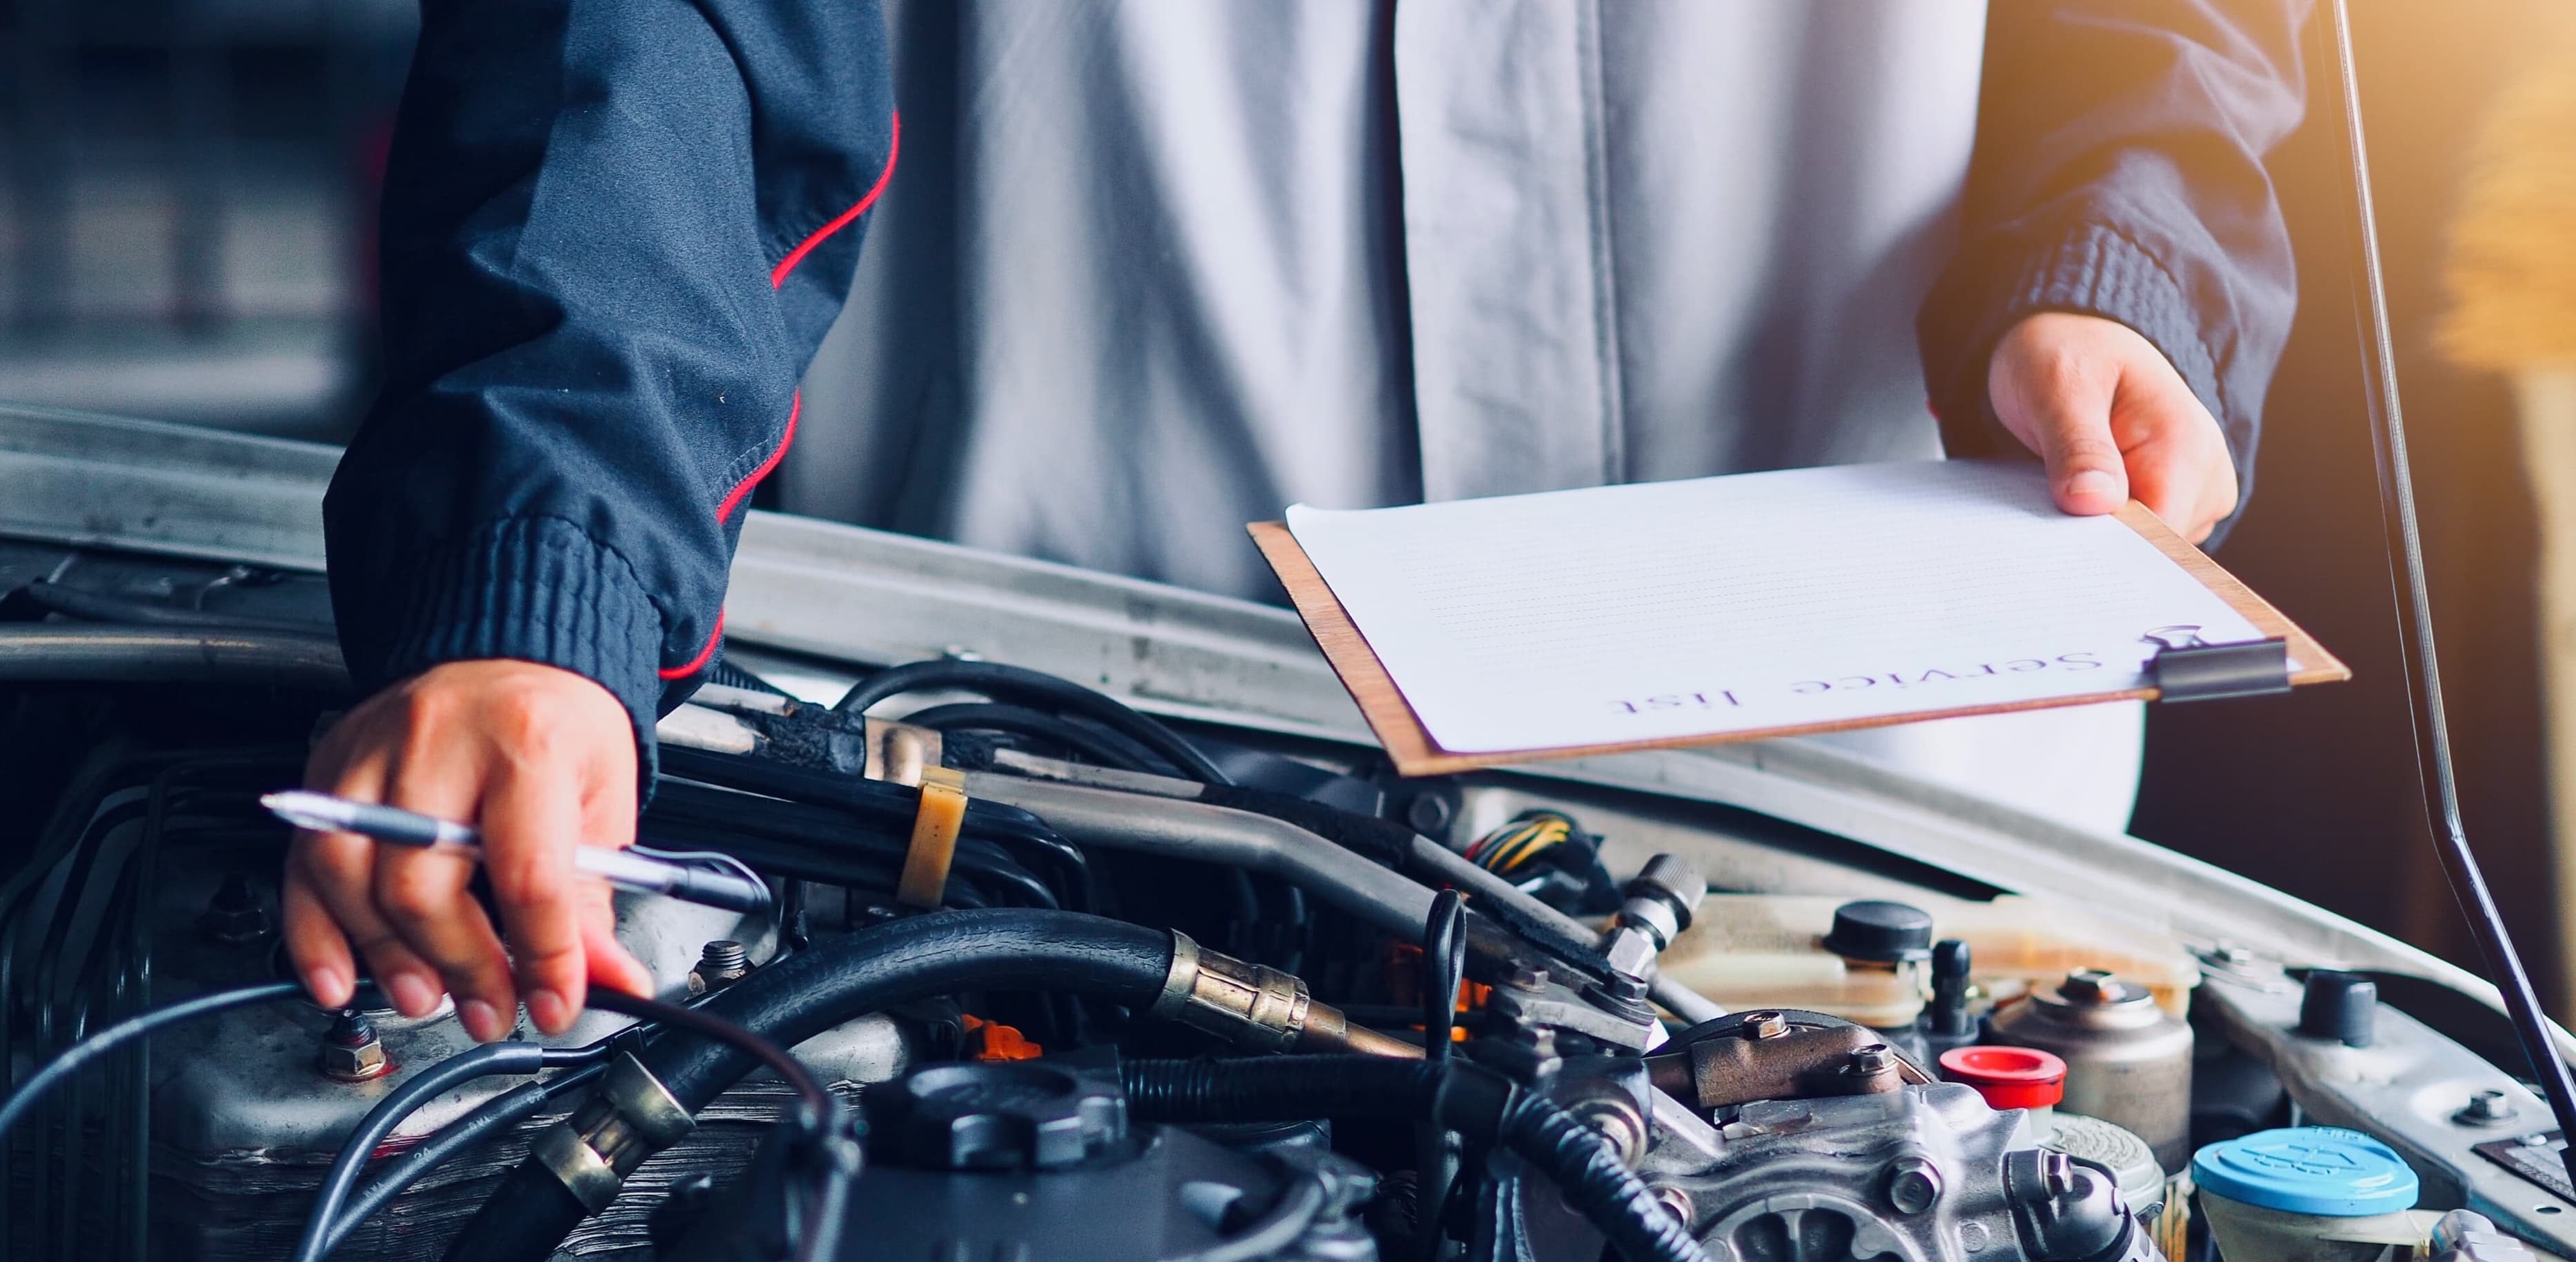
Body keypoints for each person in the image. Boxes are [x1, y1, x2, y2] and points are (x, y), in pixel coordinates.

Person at [286, 1, 2309, 1043]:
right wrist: (540, 565)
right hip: (1073, 810)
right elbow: (653, 39)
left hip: (1878, 870)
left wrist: (2124, 249)